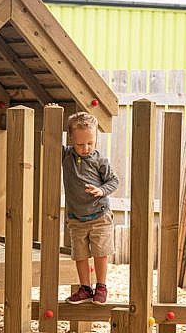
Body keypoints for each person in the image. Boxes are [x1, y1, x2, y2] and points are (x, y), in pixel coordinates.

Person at [62, 111, 119, 305]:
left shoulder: (99, 161)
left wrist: (101, 190)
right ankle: (85, 288)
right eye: (80, 144)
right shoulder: (66, 156)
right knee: (80, 254)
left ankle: (101, 286)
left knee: (100, 252)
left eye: (90, 143)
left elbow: (114, 181)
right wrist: (50, 113)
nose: (85, 148)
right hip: (77, 219)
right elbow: (48, 140)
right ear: (71, 140)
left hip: (99, 216)